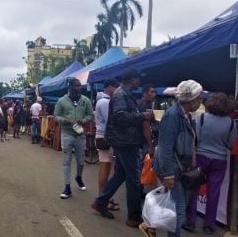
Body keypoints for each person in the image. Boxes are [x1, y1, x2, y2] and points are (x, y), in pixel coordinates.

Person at [91, 69, 154, 225]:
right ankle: (133, 216)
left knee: (120, 175)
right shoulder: (121, 94)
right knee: (133, 179)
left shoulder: (123, 93)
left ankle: (100, 202)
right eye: (138, 79)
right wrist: (143, 116)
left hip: (125, 140)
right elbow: (119, 116)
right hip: (125, 142)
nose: (139, 82)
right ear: (132, 79)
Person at [146, 80, 203, 237]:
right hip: (171, 169)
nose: (201, 102)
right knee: (178, 210)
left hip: (179, 169)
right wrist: (169, 174)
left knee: (173, 206)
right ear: (190, 99)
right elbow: (165, 147)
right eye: (199, 98)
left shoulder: (185, 115)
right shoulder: (173, 115)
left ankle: (149, 224)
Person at [184, 93, 237, 234]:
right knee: (213, 193)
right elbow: (230, 145)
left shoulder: (201, 118)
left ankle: (190, 222)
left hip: (201, 157)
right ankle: (209, 225)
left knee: (194, 190)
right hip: (219, 160)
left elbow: (197, 138)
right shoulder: (231, 123)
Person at [54, 78, 94, 199]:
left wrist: (84, 120)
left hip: (80, 133)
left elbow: (91, 115)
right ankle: (67, 187)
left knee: (81, 161)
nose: (79, 87)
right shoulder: (62, 101)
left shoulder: (85, 100)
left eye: (80, 85)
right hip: (67, 134)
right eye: (77, 85)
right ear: (70, 86)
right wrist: (65, 120)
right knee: (66, 161)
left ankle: (78, 177)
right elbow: (56, 116)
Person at [94, 78, 120, 210]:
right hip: (105, 137)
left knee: (105, 167)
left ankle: (103, 196)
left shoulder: (103, 101)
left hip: (103, 136)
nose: (117, 91)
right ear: (109, 87)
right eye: (116, 87)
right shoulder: (105, 102)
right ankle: (102, 197)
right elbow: (111, 121)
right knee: (105, 168)